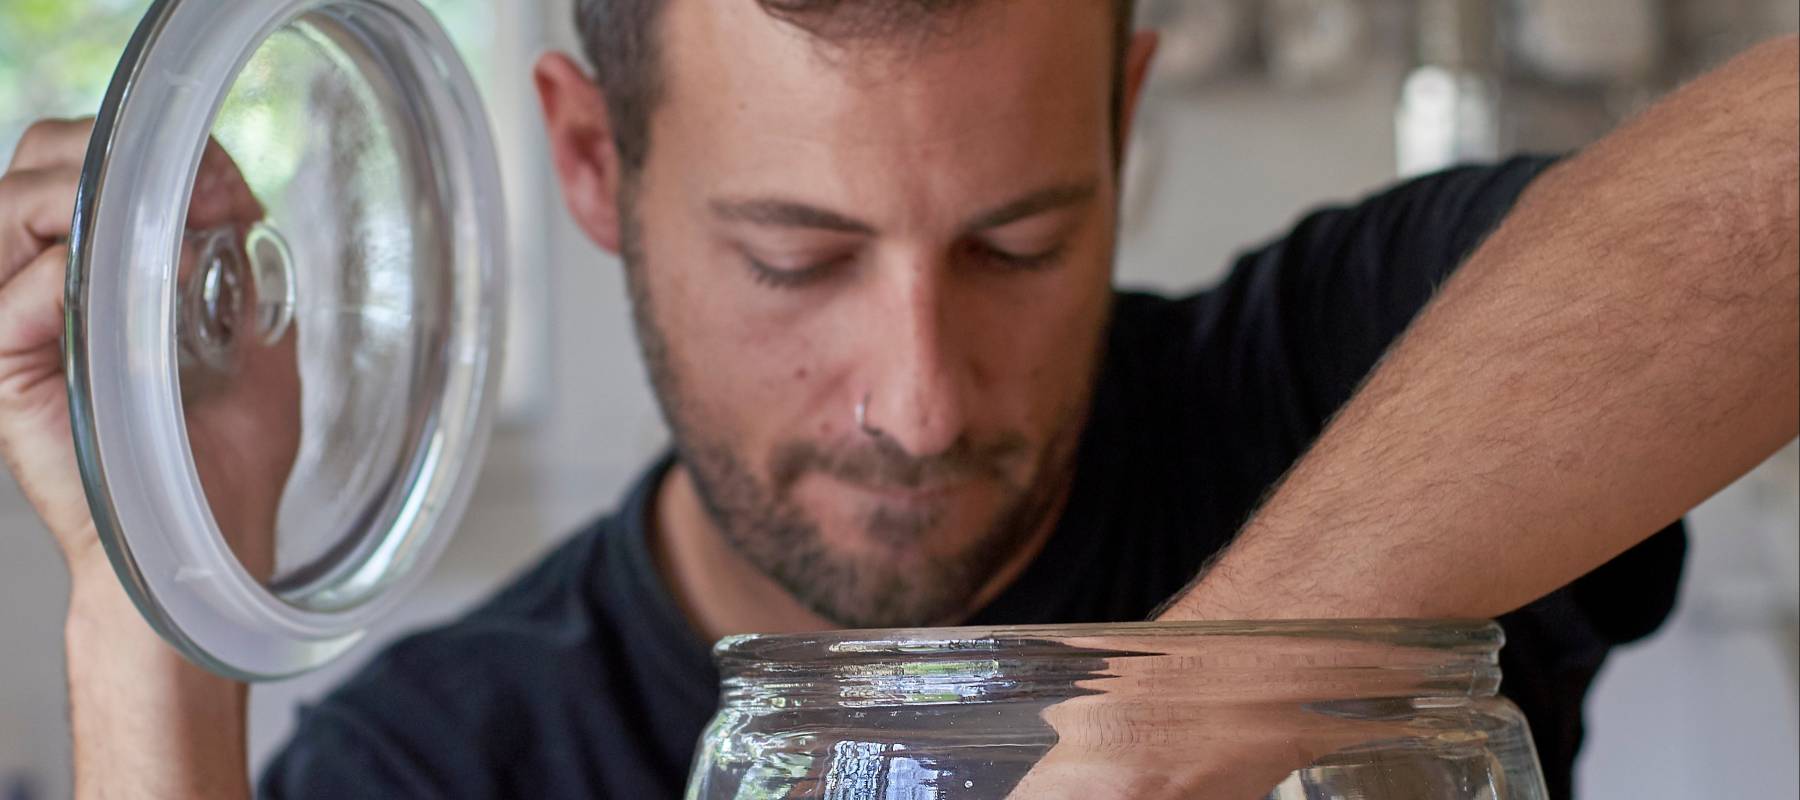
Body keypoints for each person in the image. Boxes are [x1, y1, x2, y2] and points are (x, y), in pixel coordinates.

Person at [0, 1, 1792, 798]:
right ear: (588, 159)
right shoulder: (458, 758)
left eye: (1016, 245)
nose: (921, 402)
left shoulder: (1331, 380)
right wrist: (159, 562)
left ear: (1124, 120)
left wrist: (1161, 729)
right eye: (796, 257)